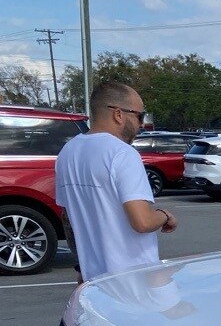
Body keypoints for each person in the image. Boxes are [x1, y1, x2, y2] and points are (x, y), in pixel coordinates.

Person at [56, 81, 178, 283]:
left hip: (95, 281)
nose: (141, 124)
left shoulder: (68, 152)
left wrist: (81, 266)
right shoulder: (122, 153)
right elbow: (143, 222)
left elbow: (67, 218)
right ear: (118, 114)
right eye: (139, 116)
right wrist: (165, 215)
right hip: (135, 280)